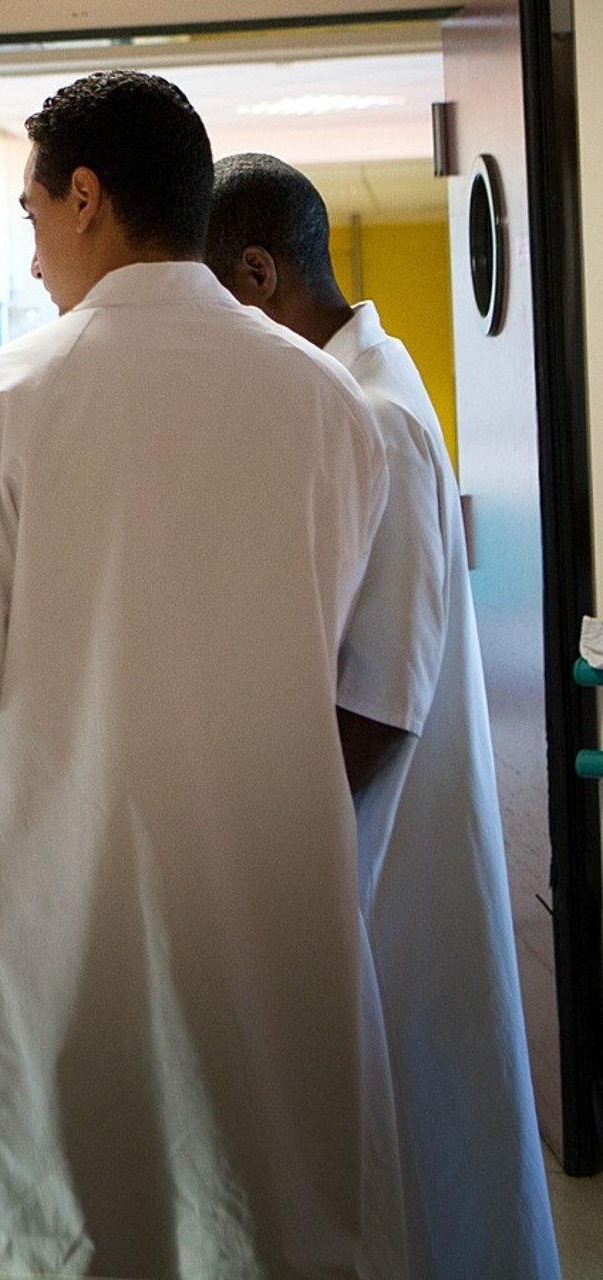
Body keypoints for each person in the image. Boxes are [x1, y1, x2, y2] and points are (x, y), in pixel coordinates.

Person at [0, 71, 405, 1278]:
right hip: (273, 887)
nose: (33, 252)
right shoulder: (329, 402)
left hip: (73, 896)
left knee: (73, 1208)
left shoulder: (2, 397)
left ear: (85, 197)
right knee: (272, 1194)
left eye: (33, 212)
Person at [204, 151, 560, 1280]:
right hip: (378, 836)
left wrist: (271, 852)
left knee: (424, 1137)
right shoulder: (353, 391)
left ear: (256, 275)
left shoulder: (375, 417)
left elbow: (379, 705)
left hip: (393, 846)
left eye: (209, 302)